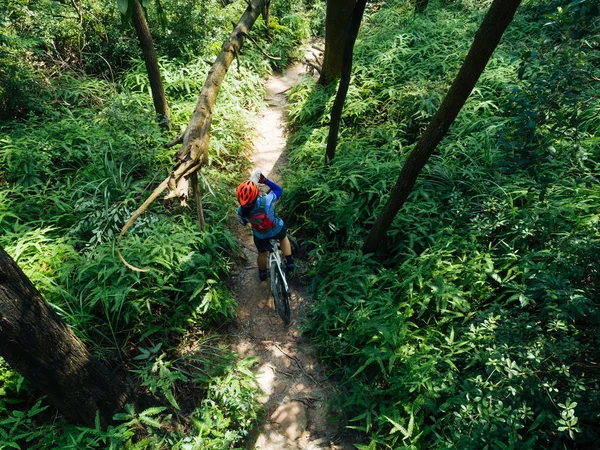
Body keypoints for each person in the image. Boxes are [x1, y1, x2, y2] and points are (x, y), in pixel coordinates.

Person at [236, 171, 295, 281]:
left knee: (262, 253)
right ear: (256, 195)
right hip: (276, 229)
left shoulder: (240, 211)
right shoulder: (266, 200)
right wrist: (265, 181)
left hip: (260, 235)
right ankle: (290, 261)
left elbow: (243, 222)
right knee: (283, 237)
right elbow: (278, 190)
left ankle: (263, 273)